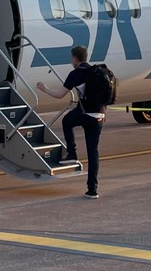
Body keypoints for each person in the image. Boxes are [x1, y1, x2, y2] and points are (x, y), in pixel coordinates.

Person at [36, 46, 104, 199]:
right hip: (99, 115)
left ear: (75, 58)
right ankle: (93, 189)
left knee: (67, 121)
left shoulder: (76, 74)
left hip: (85, 113)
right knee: (93, 152)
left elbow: (60, 95)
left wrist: (45, 89)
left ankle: (72, 152)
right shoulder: (97, 71)